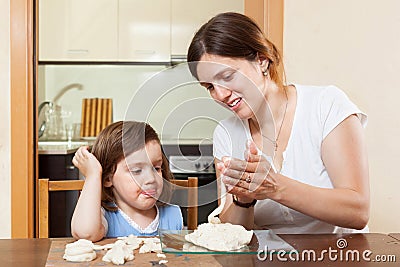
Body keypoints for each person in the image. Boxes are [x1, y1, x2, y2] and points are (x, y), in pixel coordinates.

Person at [187, 12, 369, 234]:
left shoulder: (326, 106)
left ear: (261, 60)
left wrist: (274, 187)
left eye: (227, 76)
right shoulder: (226, 133)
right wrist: (243, 200)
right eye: (210, 87)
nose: (221, 94)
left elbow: (357, 212)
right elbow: (230, 233)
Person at [71, 121, 183, 241]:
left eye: (156, 168)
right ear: (108, 178)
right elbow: (86, 234)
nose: (151, 179)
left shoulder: (173, 214)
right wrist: (93, 175)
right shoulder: (104, 217)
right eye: (137, 171)